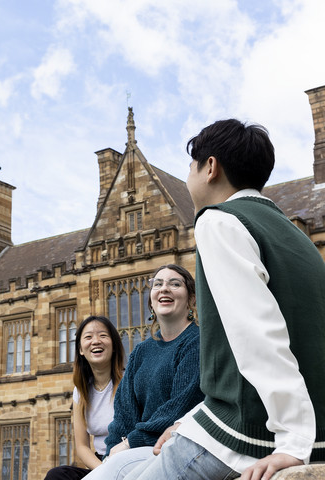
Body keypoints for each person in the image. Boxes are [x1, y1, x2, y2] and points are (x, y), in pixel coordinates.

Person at [124, 119, 325, 480]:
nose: (188, 177)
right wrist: (189, 421)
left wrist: (293, 440)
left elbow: (257, 332)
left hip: (252, 435)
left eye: (190, 167)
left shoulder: (219, 221)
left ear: (210, 168)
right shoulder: (296, 237)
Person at [83, 264, 205, 480]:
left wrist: (129, 443)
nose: (164, 288)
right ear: (151, 301)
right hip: (139, 449)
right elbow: (123, 414)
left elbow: (179, 409)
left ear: (192, 300)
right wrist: (112, 450)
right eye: (158, 284)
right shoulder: (141, 351)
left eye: (175, 284)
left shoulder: (196, 341)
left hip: (174, 446)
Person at [44, 315, 125, 480]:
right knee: (57, 475)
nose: (96, 341)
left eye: (103, 335)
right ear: (81, 349)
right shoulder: (80, 391)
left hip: (128, 460)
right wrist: (104, 471)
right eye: (88, 337)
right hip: (100, 464)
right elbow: (82, 446)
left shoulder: (129, 381)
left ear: (114, 345)